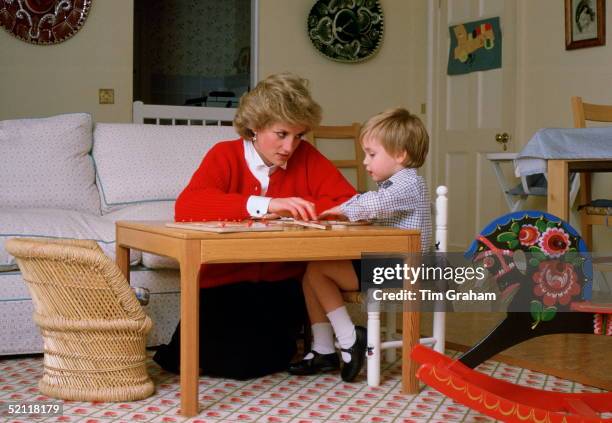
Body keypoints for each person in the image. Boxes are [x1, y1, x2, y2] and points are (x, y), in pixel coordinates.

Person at [153, 72, 357, 380]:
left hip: (279, 286)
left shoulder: (307, 158)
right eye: (281, 134)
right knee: (203, 359)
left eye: (298, 135)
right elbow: (188, 206)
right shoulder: (225, 155)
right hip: (222, 282)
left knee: (252, 364)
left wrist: (310, 209)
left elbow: (348, 202)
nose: (290, 146)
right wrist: (265, 204)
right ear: (255, 126)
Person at [288, 108, 432, 382]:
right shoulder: (394, 186)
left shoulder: (408, 184)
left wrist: (339, 210)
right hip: (389, 264)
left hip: (401, 269)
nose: (366, 162)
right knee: (310, 274)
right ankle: (323, 348)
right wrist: (341, 211)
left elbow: (372, 204)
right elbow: (371, 204)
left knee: (319, 270)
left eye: (372, 154)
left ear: (400, 154)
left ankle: (350, 338)